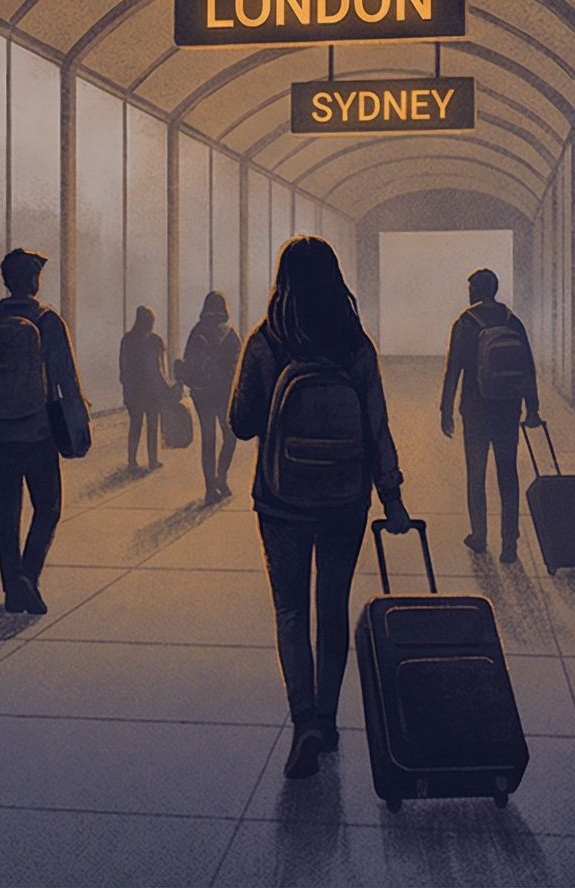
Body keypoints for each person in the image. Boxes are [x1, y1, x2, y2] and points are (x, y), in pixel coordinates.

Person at [228, 235, 411, 780]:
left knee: (290, 612)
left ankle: (303, 719)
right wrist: (393, 498)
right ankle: (329, 720)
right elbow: (377, 427)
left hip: (281, 500)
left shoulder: (266, 341)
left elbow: (241, 424)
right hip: (344, 499)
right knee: (332, 610)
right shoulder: (355, 345)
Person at [0, 247, 83, 616]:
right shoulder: (48, 322)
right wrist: (78, 431)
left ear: (7, 282)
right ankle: (28, 577)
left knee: (6, 515)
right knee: (48, 508)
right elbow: (67, 382)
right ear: (34, 280)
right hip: (39, 433)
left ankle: (12, 590)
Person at [439, 266, 541, 564]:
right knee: (507, 474)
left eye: (471, 288)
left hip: (476, 409)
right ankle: (509, 543)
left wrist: (446, 410)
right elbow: (529, 368)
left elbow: (453, 369)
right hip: (509, 407)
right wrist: (532, 407)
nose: (468, 293)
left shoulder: (465, 323)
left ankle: (479, 536)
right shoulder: (513, 321)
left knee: (476, 474)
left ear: (477, 290)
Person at [179, 290, 243, 500]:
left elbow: (187, 361)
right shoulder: (231, 332)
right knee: (230, 435)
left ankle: (209, 490)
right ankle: (221, 478)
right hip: (223, 394)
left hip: (201, 393)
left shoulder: (197, 330)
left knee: (208, 440)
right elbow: (240, 366)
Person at [120, 306, 172, 470]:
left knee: (139, 425)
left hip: (138, 391)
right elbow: (159, 368)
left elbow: (123, 367)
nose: (150, 324)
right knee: (149, 425)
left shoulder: (128, 340)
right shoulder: (155, 340)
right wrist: (166, 388)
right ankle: (148, 460)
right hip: (147, 391)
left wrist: (127, 387)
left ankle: (136, 461)